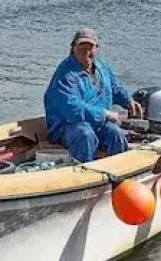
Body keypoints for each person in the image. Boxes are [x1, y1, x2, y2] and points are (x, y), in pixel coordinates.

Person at [43, 27, 143, 163]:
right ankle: (83, 171)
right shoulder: (65, 75)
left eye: (90, 47)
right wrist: (104, 114)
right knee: (85, 134)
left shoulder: (102, 67)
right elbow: (71, 107)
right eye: (82, 46)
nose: (86, 51)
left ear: (96, 48)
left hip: (98, 124)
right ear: (72, 48)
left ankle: (119, 170)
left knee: (116, 133)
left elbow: (114, 87)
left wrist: (127, 100)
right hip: (68, 126)